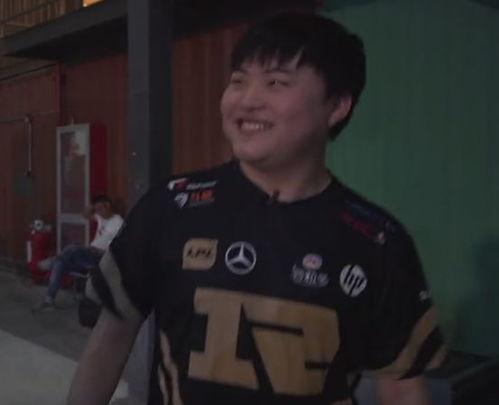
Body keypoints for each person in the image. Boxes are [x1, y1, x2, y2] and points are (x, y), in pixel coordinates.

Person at [67, 12, 445, 405]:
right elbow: (112, 335)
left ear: (337, 105)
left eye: (276, 82)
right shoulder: (170, 206)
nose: (247, 100)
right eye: (238, 80)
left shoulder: (378, 242)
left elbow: (401, 386)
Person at [35, 194, 123, 310]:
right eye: (97, 210)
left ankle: (52, 261)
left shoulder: (118, 222)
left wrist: (102, 252)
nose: (99, 213)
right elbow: (85, 215)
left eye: (101, 209)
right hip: (88, 256)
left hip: (100, 257)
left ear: (108, 206)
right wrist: (92, 207)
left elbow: (118, 247)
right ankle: (49, 301)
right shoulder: (101, 217)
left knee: (72, 248)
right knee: (60, 264)